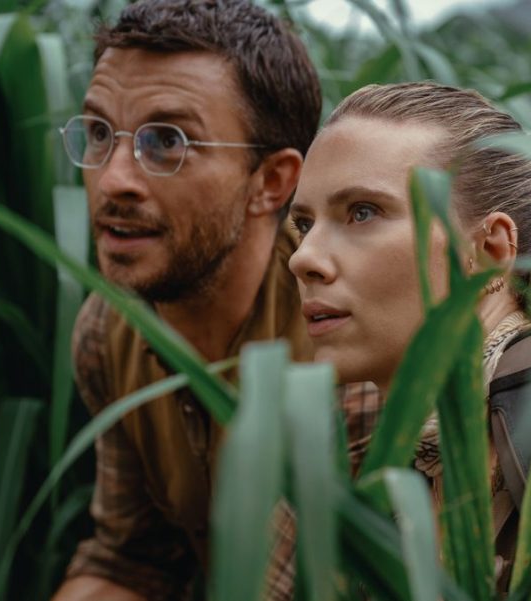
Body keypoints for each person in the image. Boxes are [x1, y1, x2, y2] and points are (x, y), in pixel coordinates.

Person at [286, 81, 531, 588]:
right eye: (304, 223)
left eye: (362, 212)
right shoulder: (369, 465)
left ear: (489, 252)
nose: (303, 257)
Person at [51, 1, 321, 599]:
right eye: (98, 133)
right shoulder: (107, 331)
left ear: (271, 182)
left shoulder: (340, 332)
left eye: (167, 142)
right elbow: (130, 558)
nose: (114, 178)